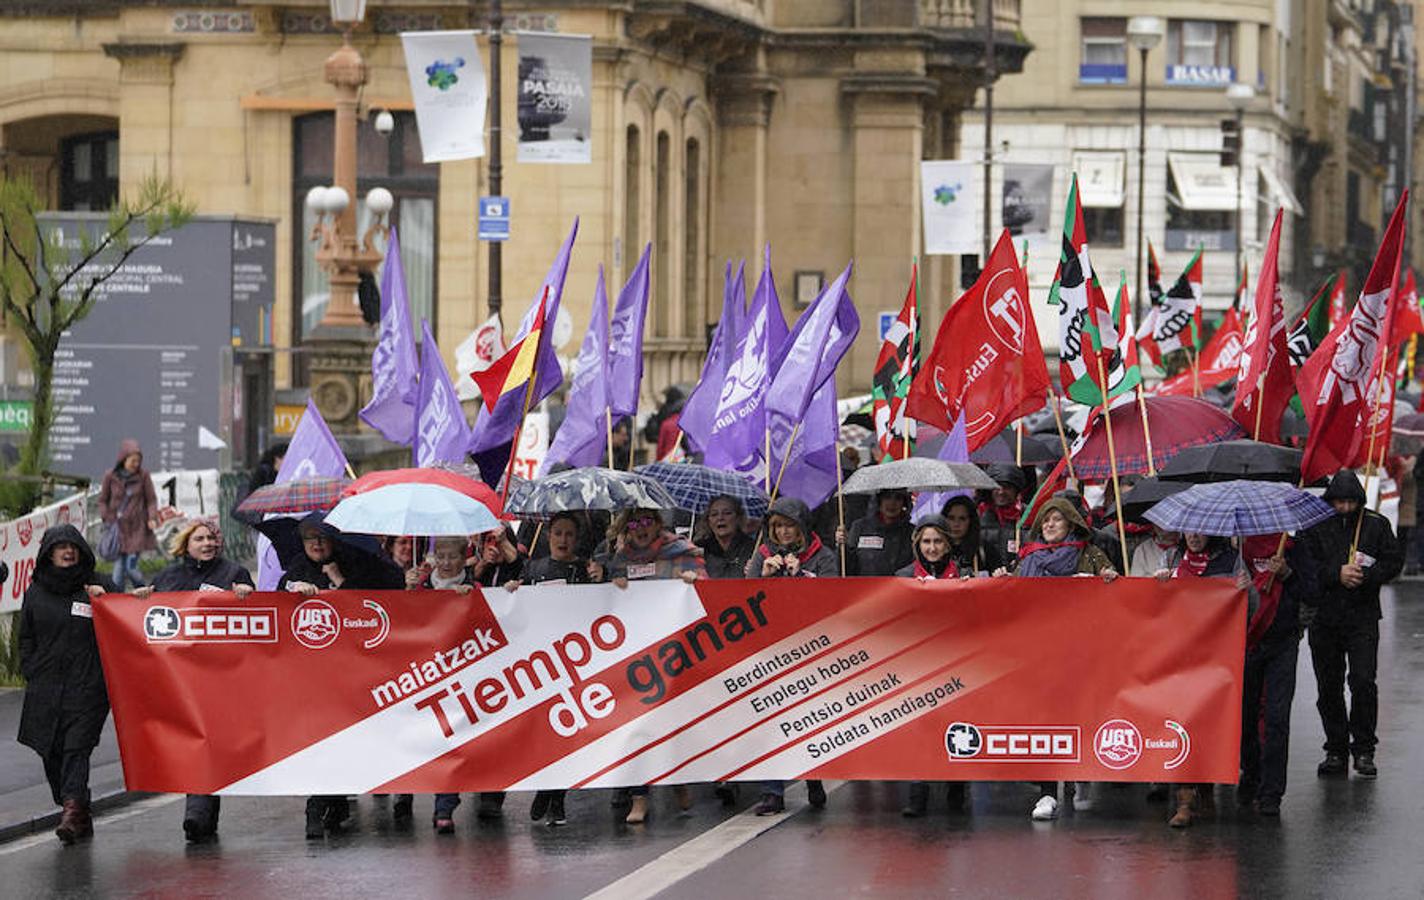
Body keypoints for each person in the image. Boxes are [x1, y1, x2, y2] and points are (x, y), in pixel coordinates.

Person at [279, 513, 404, 839]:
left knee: (345, 740)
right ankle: (316, 806)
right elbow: (278, 605)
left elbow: (389, 587)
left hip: (354, 672)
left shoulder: (354, 562)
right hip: (312, 678)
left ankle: (335, 801)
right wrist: (295, 590)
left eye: (322, 538)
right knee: (321, 741)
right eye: (310, 539)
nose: (317, 544)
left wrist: (339, 582)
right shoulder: (295, 571)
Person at [131, 519, 253, 841]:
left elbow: (253, 615)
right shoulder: (169, 577)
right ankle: (200, 814)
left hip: (220, 676)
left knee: (209, 740)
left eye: (212, 537)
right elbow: (147, 617)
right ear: (186, 544)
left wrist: (245, 595)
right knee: (193, 742)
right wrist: (142, 598)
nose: (208, 543)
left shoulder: (234, 574)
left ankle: (198, 813)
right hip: (180, 677)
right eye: (200, 538)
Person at [1016, 497, 1117, 821]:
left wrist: (1109, 581)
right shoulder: (1028, 559)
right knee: (1046, 720)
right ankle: (1047, 792)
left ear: (1072, 523)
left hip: (1080, 653)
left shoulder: (1090, 555)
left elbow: (1114, 595)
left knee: (1078, 716)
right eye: (1045, 520)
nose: (1049, 525)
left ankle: (1078, 773)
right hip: (1039, 653)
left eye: (1056, 519)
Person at [606, 508, 706, 823]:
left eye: (646, 522)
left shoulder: (682, 552)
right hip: (634, 655)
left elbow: (708, 591)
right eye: (632, 523)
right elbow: (606, 601)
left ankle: (678, 781)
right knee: (638, 728)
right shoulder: (620, 557)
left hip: (674, 653)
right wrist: (612, 583)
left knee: (670, 724)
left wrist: (693, 581)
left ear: (658, 525)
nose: (640, 529)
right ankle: (640, 798)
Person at [17, 524, 111, 844]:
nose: (68, 551)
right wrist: (31, 669)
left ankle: (72, 812)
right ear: (49, 553)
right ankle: (76, 807)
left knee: (76, 749)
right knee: (52, 751)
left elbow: (128, 617)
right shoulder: (36, 590)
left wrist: (106, 600)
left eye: (73, 546)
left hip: (88, 687)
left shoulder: (98, 585)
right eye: (60, 547)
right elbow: (25, 636)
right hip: (45, 688)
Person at [506, 513, 602, 826]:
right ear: (548, 537)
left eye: (569, 535)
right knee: (542, 732)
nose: (562, 540)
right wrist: (511, 589)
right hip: (540, 661)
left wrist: (600, 580)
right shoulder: (534, 568)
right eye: (557, 533)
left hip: (575, 660)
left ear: (576, 539)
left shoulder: (585, 569)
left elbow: (600, 605)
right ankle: (545, 787)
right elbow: (517, 604)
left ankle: (557, 797)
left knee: (568, 733)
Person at [1304, 471, 1402, 781]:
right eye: (1339, 502)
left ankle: (1364, 749)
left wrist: (1366, 577)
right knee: (1328, 686)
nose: (1344, 508)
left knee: (1363, 682)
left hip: (1362, 617)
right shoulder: (1315, 524)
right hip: (1325, 619)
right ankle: (1335, 749)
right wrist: (1336, 574)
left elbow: (1392, 562)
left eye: (1350, 502)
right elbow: (1307, 568)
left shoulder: (1375, 524)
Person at [745, 498, 837, 816]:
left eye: (789, 526)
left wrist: (803, 579)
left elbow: (832, 598)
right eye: (778, 526)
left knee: (805, 719)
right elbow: (744, 599)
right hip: (771, 648)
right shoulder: (763, 555)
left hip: (810, 648)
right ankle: (772, 792)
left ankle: (812, 776)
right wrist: (763, 578)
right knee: (771, 719)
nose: (783, 532)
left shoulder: (823, 556)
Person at [1153, 532, 1235, 826]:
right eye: (1190, 530)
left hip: (1214, 656)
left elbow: (1246, 606)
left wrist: (1241, 589)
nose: (1195, 536)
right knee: (1181, 723)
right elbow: (1154, 606)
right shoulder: (1171, 559)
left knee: (1206, 725)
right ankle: (1184, 801)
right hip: (1178, 655)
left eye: (1201, 531)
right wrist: (1157, 584)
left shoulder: (1230, 561)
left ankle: (1207, 788)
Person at [1236, 532, 1319, 818]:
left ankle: (1272, 791)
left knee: (1276, 719)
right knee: (1245, 717)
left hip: (1282, 643)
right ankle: (1250, 774)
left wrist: (1287, 574)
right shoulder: (1237, 548)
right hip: (1245, 643)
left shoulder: (1294, 548)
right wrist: (1239, 587)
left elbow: (1312, 592)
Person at [400, 536, 479, 833]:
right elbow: (403, 622)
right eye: (441, 556)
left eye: (452, 557)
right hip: (421, 676)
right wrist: (407, 591)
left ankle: (444, 806)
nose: (446, 563)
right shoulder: (421, 588)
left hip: (461, 680)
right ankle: (403, 795)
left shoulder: (473, 587)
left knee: (452, 742)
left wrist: (470, 598)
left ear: (463, 559)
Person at [896, 514, 972, 817]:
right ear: (917, 544)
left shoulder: (965, 573)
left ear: (948, 543)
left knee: (957, 726)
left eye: (938, 541)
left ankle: (957, 788)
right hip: (918, 664)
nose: (932, 547)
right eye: (926, 541)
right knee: (920, 729)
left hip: (956, 663)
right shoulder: (902, 574)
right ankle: (918, 793)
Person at [98, 439, 158, 591]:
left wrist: (151, 518)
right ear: (123, 459)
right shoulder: (110, 476)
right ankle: (118, 597)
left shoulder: (143, 476)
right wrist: (107, 517)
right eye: (133, 460)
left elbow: (151, 499)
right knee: (119, 567)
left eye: (138, 461)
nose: (136, 464)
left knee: (130, 566)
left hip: (137, 528)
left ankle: (143, 590)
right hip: (118, 529)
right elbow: (103, 500)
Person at [839, 489, 914, 576]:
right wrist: (842, 546)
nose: (892, 503)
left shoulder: (912, 532)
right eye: (887, 497)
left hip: (899, 587)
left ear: (904, 503)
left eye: (898, 498)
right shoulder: (860, 527)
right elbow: (847, 567)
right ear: (879, 500)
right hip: (866, 587)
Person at [935, 496, 1006, 576]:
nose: (956, 524)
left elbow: (1000, 581)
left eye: (962, 519)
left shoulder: (985, 549)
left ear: (971, 521)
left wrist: (1000, 575)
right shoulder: (934, 549)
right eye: (951, 518)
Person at [696, 496, 757, 580]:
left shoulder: (754, 548)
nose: (720, 518)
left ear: (738, 518)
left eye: (727, 513)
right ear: (708, 521)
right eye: (714, 514)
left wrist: (756, 571)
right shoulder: (698, 549)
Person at [978, 464, 1027, 560]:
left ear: (1016, 490)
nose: (1001, 492)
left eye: (1007, 487)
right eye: (997, 487)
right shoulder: (979, 514)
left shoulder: (1027, 515)